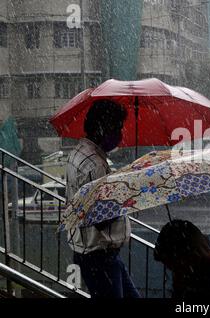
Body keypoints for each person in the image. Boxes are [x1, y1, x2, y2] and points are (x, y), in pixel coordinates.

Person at [65, 99, 140, 299]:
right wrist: (125, 195)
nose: (120, 134)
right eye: (117, 128)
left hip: (97, 255)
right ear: (101, 128)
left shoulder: (79, 152)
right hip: (99, 257)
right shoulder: (95, 165)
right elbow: (99, 218)